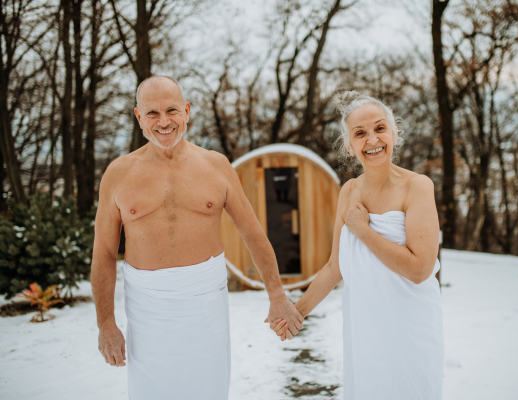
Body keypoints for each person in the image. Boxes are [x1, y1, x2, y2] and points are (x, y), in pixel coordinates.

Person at [90, 75, 303, 400]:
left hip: (206, 303)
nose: (164, 122)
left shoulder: (216, 166)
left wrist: (276, 295)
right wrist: (106, 323)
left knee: (208, 391)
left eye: (172, 110)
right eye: (152, 113)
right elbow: (104, 252)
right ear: (138, 117)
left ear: (187, 111)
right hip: (148, 309)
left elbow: (252, 233)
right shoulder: (119, 173)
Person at [271, 90, 444, 399]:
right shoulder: (349, 191)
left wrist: (364, 232)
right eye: (360, 133)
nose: (372, 140)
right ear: (349, 146)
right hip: (364, 325)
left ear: (394, 133)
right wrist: (296, 314)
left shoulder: (417, 187)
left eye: (380, 128)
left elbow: (420, 269)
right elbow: (334, 267)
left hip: (409, 327)